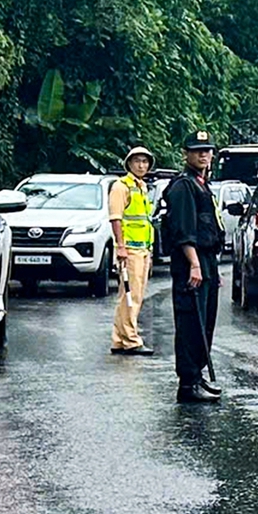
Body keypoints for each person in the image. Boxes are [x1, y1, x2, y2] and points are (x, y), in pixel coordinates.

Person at [166, 129, 225, 403]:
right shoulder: (183, 186)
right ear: (186, 154)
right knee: (191, 322)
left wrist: (211, 268)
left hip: (207, 262)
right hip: (192, 262)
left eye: (207, 150)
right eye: (197, 150)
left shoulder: (203, 184)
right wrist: (194, 265)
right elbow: (183, 230)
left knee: (206, 321)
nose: (203, 155)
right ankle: (187, 383)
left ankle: (197, 375)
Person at [108, 145, 158, 356]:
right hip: (129, 249)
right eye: (137, 161)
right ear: (129, 164)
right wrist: (120, 246)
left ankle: (120, 339)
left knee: (130, 294)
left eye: (145, 161)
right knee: (132, 295)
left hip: (142, 248)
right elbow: (116, 218)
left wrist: (150, 250)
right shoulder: (122, 186)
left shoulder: (141, 187)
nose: (141, 165)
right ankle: (130, 339)